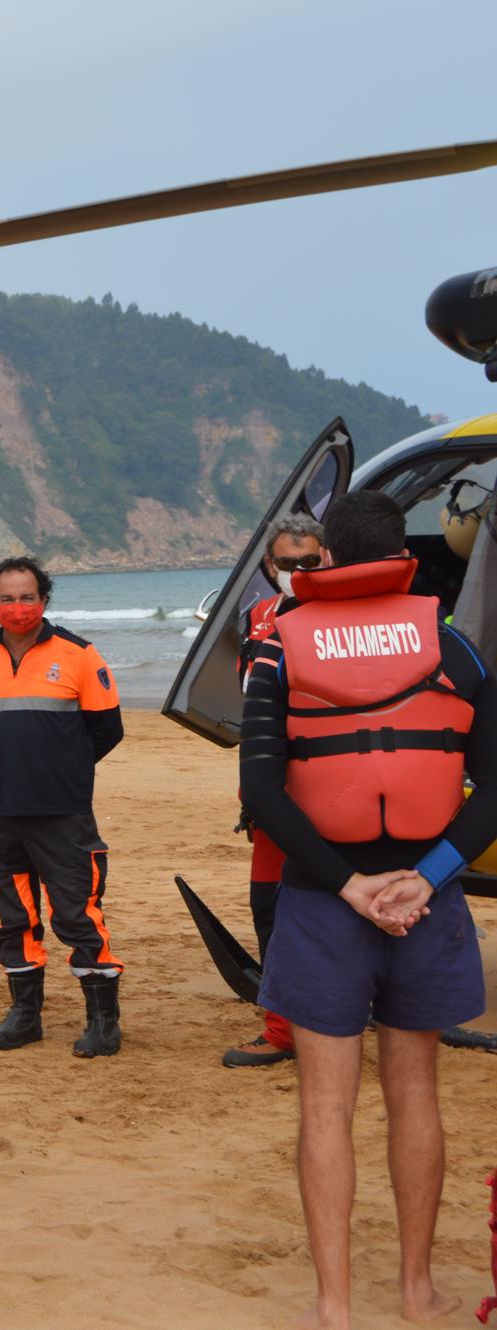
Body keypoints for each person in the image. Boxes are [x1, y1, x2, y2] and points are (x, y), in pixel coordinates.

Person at [240, 491, 496, 1330]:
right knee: (416, 1090)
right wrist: (426, 878)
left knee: (325, 1104)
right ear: (406, 555)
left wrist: (348, 886)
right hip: (428, 897)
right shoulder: (454, 649)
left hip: (322, 902)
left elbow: (261, 793)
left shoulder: (278, 651)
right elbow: (492, 788)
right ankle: (418, 1290)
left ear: (327, 559)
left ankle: (333, 1304)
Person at [0, 555, 125, 1057]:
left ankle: (102, 1023)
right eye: (7, 598)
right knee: (14, 917)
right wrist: (14, 766)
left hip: (62, 811)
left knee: (76, 913)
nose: (17, 607)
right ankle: (25, 1017)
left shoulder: (78, 653)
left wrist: (59, 769)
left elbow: (107, 729)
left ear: (44, 598)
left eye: (27, 596)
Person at [224, 511, 324, 1069]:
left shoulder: (341, 615)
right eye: (287, 563)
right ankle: (282, 1027)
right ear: (269, 565)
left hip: (331, 788)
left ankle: (343, 1011)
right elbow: (250, 713)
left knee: (337, 901)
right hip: (270, 790)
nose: (299, 571)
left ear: (327, 558)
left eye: (310, 561)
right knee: (270, 904)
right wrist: (250, 793)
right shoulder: (259, 616)